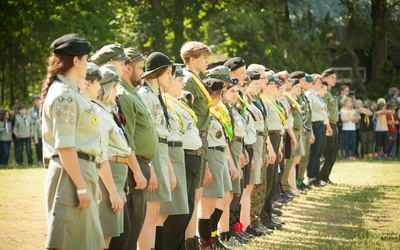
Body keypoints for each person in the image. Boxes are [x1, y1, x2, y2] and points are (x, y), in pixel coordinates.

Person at [41, 33, 104, 249]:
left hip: (80, 170)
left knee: (84, 242)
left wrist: (88, 182)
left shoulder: (72, 92)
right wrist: (80, 186)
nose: (88, 63)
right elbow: (65, 146)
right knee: (68, 241)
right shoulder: (64, 95)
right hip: (70, 174)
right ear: (76, 60)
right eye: (86, 59)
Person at [113, 47, 155, 250]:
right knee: (130, 224)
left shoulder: (133, 93)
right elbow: (126, 138)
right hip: (133, 166)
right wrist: (137, 171)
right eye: (140, 67)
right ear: (128, 68)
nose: (142, 71)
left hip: (142, 163)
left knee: (137, 221)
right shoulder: (124, 95)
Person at [138, 52, 178, 250]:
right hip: (153, 154)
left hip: (162, 152)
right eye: (168, 72)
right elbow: (148, 135)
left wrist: (169, 169)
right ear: (156, 73)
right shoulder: (145, 97)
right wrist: (152, 167)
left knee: (156, 214)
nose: (171, 76)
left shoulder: (158, 96)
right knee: (149, 215)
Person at [160, 67, 201, 250]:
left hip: (191, 155)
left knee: (187, 209)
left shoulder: (179, 101)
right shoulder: (164, 101)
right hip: (179, 155)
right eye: (178, 80)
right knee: (177, 213)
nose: (183, 83)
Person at [180, 41, 213, 249]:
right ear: (192, 59)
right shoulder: (188, 81)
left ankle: (192, 239)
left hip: (202, 139)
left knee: (198, 194)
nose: (208, 61)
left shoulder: (197, 79)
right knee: (193, 196)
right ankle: (188, 240)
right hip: (194, 140)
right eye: (204, 57)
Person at [305, 73, 328, 187]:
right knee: (314, 153)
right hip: (315, 125)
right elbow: (309, 114)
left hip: (321, 125)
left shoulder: (317, 96)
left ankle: (316, 175)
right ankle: (311, 177)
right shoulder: (309, 95)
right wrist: (311, 131)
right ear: (313, 84)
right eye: (319, 82)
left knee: (318, 153)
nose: (320, 84)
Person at [319, 68, 337, 185]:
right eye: (332, 78)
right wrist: (327, 125)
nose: (334, 80)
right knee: (328, 151)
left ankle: (326, 176)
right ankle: (322, 176)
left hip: (334, 123)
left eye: (335, 78)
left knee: (333, 152)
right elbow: (324, 110)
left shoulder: (330, 92)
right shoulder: (324, 93)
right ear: (324, 78)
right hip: (328, 123)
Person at [29, 94, 43, 166]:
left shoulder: (44, 108)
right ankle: (39, 160)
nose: (37, 101)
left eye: (38, 100)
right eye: (35, 100)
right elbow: (29, 121)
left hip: (42, 130)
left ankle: (44, 160)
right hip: (34, 130)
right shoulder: (31, 111)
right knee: (38, 147)